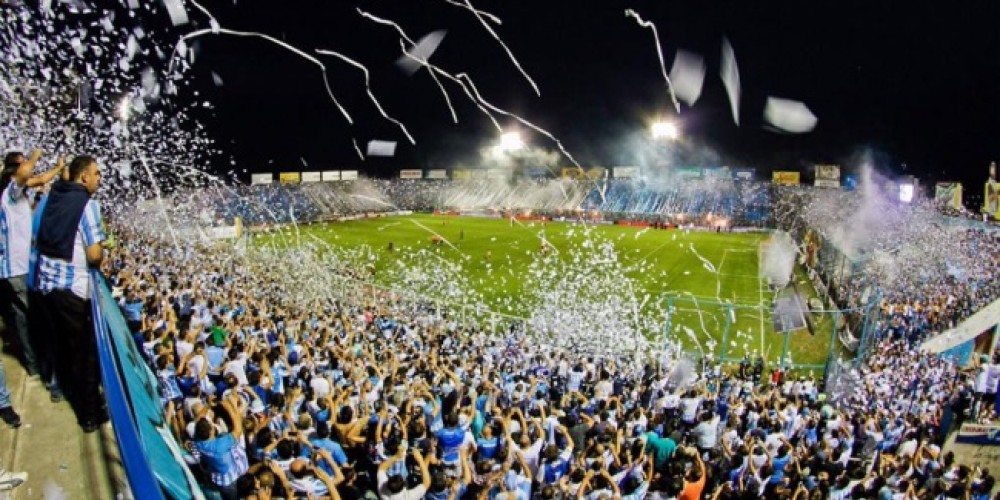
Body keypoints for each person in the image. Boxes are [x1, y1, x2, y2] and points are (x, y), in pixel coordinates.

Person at [27, 154, 107, 432]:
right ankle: (89, 414)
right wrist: (102, 255)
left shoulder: (54, 195)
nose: (99, 178)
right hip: (72, 290)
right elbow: (95, 254)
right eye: (96, 174)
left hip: (46, 287)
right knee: (86, 354)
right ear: (83, 176)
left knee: (64, 348)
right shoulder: (88, 205)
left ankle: (71, 394)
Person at [0, 149, 62, 381]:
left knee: (21, 320)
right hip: (17, 270)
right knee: (37, 319)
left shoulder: (18, 193)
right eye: (23, 163)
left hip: (12, 269)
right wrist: (35, 155)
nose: (29, 166)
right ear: (14, 170)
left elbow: (40, 179)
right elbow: (27, 174)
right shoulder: (10, 192)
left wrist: (58, 167)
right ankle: (44, 368)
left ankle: (33, 365)